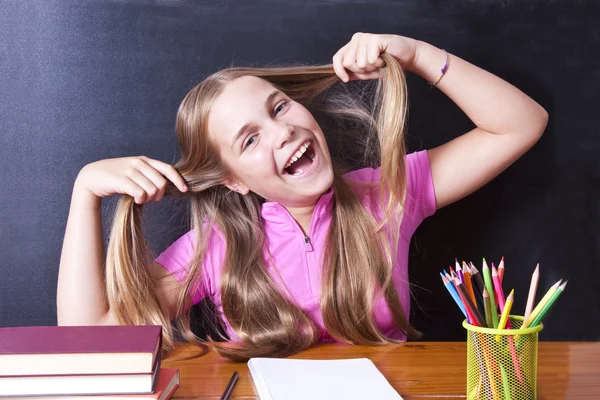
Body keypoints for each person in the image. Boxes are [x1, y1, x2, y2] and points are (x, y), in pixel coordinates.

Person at [56, 33, 548, 361]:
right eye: (250, 139)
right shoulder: (216, 247)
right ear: (233, 181)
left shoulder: (389, 192)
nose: (283, 132)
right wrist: (84, 193)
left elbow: (520, 124)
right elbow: (86, 341)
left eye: (280, 107)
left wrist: (416, 55)